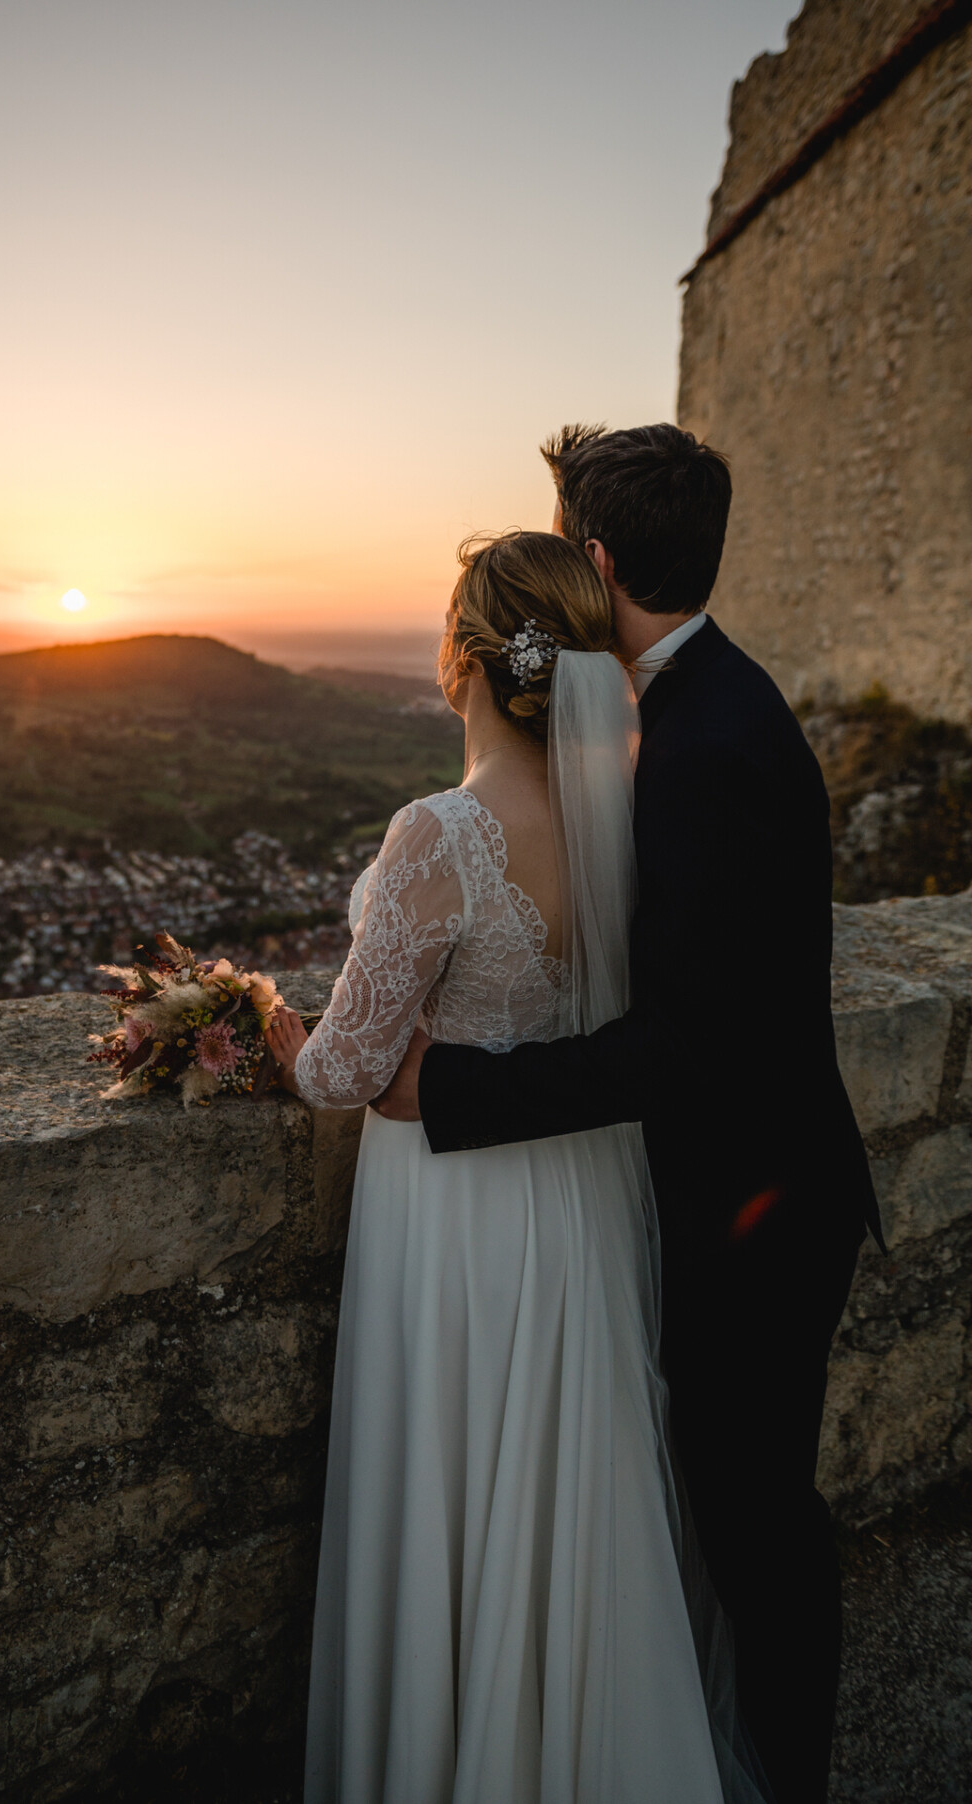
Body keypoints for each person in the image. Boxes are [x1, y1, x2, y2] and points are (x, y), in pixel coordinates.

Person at [374, 424, 882, 1804]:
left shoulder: (701, 742)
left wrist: (457, 1087)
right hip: (749, 1179)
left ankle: (782, 1776)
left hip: (755, 1206)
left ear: (596, 563)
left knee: (755, 1521)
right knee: (735, 1509)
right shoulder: (704, 698)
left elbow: (679, 1045)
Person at [266, 529, 770, 1804]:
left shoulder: (439, 831)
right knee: (560, 1488)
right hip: (582, 1192)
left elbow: (341, 1072)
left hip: (457, 1208)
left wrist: (259, 1013)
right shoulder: (624, 821)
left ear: (463, 658)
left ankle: (448, 1754)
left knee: (452, 1475)